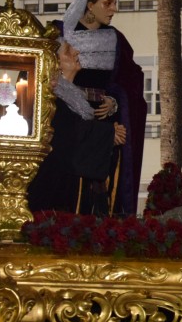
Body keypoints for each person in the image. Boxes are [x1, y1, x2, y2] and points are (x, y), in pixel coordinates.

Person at [58, 0, 146, 216]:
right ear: (90, 5)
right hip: (69, 118)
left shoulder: (117, 40)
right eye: (107, 3)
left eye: (114, 3)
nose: (113, 9)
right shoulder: (60, 33)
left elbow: (133, 80)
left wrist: (115, 101)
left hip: (105, 120)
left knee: (104, 185)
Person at [28, 43, 127, 213]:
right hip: (55, 181)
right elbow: (65, 130)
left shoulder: (74, 97)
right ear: (55, 63)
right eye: (68, 51)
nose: (76, 52)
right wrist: (107, 133)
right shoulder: (48, 96)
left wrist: (108, 132)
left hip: (75, 182)